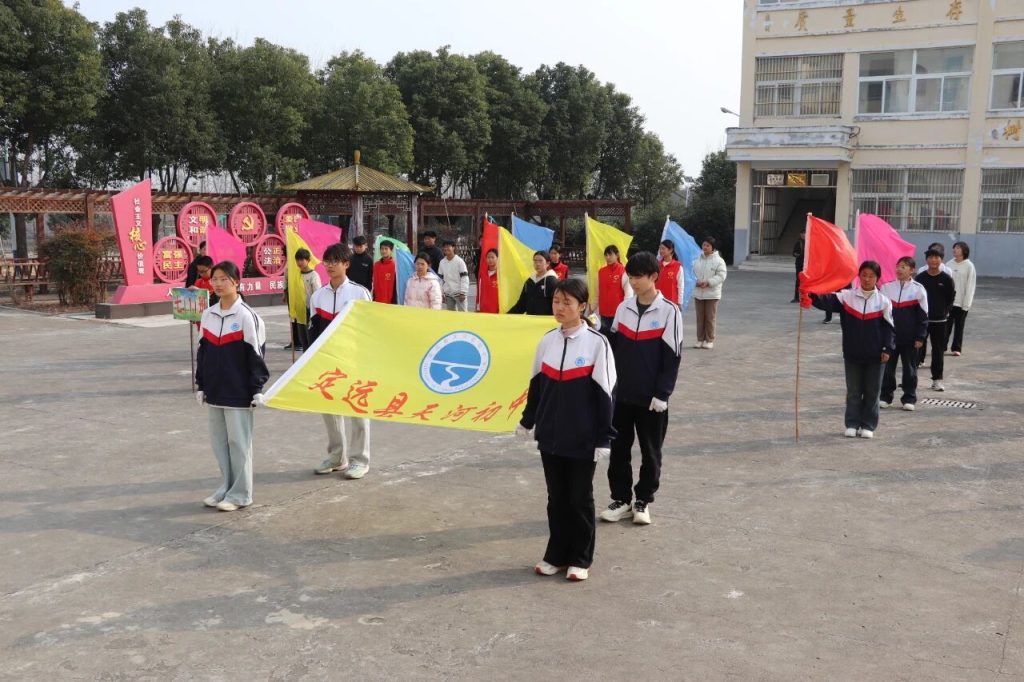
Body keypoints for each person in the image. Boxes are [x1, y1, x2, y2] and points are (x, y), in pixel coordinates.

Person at [517, 278, 616, 582]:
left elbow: (606, 393)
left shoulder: (597, 344)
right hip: (550, 435)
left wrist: (604, 437)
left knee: (579, 498)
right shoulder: (547, 341)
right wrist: (528, 420)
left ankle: (580, 558)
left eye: (567, 302)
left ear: (582, 306)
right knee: (556, 498)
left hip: (583, 437)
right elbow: (536, 386)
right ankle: (556, 555)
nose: (559, 308)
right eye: (556, 301)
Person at [599, 251, 683, 526]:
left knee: (651, 452)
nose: (633, 282)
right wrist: (595, 329)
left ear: (653, 277)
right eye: (630, 277)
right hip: (622, 395)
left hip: (651, 399)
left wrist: (662, 394)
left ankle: (643, 500)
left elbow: (672, 357)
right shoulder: (624, 308)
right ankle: (621, 499)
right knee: (619, 450)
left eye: (638, 277)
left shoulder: (669, 311)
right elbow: (611, 345)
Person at [195, 261, 269, 512]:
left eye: (223, 279)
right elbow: (203, 352)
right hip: (215, 391)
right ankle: (226, 487)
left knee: (239, 444)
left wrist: (257, 389)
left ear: (236, 282)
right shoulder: (208, 314)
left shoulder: (247, 316)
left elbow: (256, 356)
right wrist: (201, 384)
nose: (217, 284)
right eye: (214, 279)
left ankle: (241, 494)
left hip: (239, 392)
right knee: (220, 444)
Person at [308, 243, 373, 479]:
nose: (330, 265)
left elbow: (368, 330)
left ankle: (360, 460)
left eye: (335, 261)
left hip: (354, 361)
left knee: (358, 409)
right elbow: (313, 331)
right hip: (328, 362)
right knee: (329, 410)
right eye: (327, 261)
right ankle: (337, 457)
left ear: (346, 264)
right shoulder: (317, 296)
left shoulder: (359, 294)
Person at [811, 261, 895, 439]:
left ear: (877, 278)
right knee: (853, 392)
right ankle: (852, 423)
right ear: (859, 276)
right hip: (852, 354)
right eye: (864, 275)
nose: (867, 279)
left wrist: (887, 348)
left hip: (876, 356)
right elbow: (824, 301)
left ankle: (868, 425)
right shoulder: (846, 297)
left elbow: (889, 329)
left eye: (871, 276)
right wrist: (808, 291)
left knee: (872, 392)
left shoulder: (884, 301)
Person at [880, 256, 929, 411]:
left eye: (903, 266)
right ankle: (885, 397)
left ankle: (909, 398)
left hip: (910, 338)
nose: (899, 269)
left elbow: (923, 316)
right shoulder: (886, 288)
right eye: (898, 266)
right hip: (890, 338)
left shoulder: (918, 289)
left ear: (911, 270)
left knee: (910, 369)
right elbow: (880, 314)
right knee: (887, 369)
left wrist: (920, 336)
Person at [915, 249, 956, 392]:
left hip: (940, 321)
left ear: (941, 260)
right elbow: (915, 297)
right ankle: (912, 379)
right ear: (926, 260)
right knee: (916, 348)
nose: (933, 260)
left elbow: (951, 297)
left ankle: (937, 380)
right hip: (922, 321)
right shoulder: (920, 278)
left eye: (936, 257)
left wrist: (945, 311)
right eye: (931, 257)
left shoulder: (946, 279)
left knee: (938, 350)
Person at [692, 236, 728, 350]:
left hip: (712, 294)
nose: (705, 247)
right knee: (700, 318)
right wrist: (695, 281)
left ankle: (709, 340)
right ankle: (700, 339)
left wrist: (709, 282)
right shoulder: (696, 259)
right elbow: (691, 272)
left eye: (708, 245)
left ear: (713, 247)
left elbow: (721, 275)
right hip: (698, 293)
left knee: (710, 318)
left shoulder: (719, 261)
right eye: (704, 245)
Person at [945, 241, 976, 357]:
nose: (955, 250)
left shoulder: (969, 266)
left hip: (962, 302)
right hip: (949, 302)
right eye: (954, 247)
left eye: (958, 248)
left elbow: (970, 286)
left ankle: (956, 348)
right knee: (946, 326)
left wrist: (966, 304)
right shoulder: (949, 264)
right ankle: (942, 346)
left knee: (959, 326)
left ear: (964, 251)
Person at [289, 248, 321, 352]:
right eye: (297, 260)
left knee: (310, 338)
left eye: (302, 260)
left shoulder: (313, 275)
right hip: (300, 311)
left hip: (309, 311)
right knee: (303, 339)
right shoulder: (297, 274)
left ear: (308, 260)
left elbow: (317, 294)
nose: (299, 262)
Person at [596, 244, 632, 333]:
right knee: (604, 335)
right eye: (606, 255)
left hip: (618, 312)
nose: (608, 257)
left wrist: (625, 311)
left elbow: (628, 294)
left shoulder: (624, 271)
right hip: (603, 311)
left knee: (616, 337)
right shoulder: (601, 271)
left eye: (610, 255)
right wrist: (594, 306)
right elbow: (598, 291)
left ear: (617, 255)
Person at [509, 251, 558, 315]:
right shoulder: (529, 281)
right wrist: (507, 316)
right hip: (531, 319)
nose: (537, 264)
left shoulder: (552, 281)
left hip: (546, 320)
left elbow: (556, 304)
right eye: (535, 261)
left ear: (548, 263)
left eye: (540, 261)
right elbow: (521, 304)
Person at [438, 239, 470, 311]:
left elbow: (464, 277)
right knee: (450, 315)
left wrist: (463, 292)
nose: (446, 248)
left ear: (453, 248)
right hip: (448, 293)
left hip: (459, 293)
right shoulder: (442, 262)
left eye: (448, 246)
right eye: (444, 247)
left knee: (463, 314)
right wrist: (441, 293)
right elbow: (440, 279)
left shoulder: (459, 261)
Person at [656, 239, 684, 309]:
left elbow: (680, 286)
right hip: (657, 300)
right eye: (660, 248)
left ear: (670, 250)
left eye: (663, 248)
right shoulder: (657, 265)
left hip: (671, 302)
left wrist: (680, 302)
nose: (660, 251)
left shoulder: (678, 266)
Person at [372, 240, 398, 305]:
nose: (383, 251)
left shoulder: (395, 266)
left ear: (391, 250)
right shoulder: (376, 265)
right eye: (382, 249)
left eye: (386, 249)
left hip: (390, 302)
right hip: (377, 300)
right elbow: (375, 283)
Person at [477, 248, 499, 314]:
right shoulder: (482, 274)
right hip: (483, 310)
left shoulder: (501, 275)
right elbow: (479, 291)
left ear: (497, 258)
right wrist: (478, 307)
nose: (490, 259)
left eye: (492, 257)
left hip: (497, 310)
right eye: (488, 257)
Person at [791, 229, 805, 303]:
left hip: (806, 265)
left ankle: (806, 297)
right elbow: (794, 253)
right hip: (799, 264)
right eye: (802, 234)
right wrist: (799, 255)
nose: (804, 235)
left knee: (806, 282)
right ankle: (796, 297)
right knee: (798, 281)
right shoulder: (798, 243)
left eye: (805, 234)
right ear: (800, 234)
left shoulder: (809, 242)